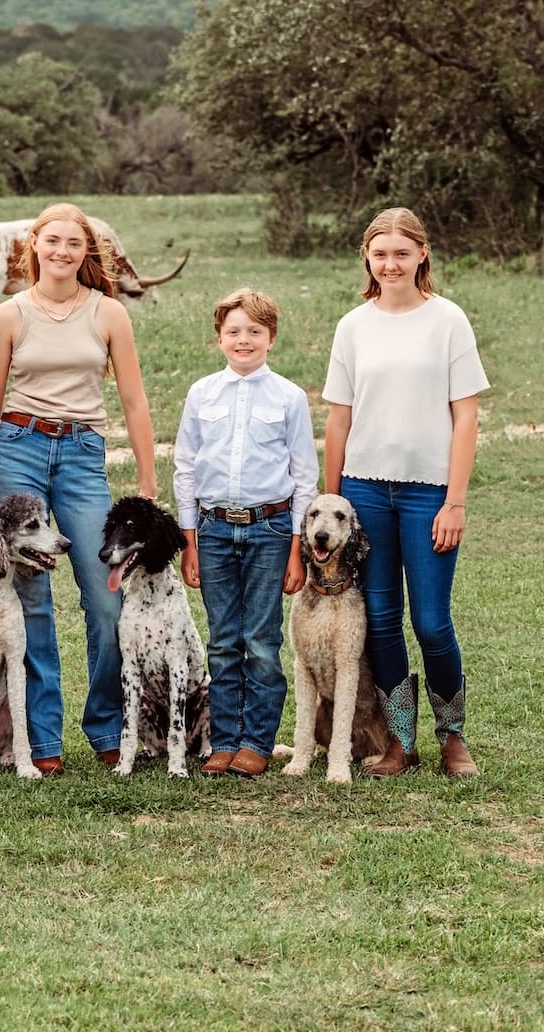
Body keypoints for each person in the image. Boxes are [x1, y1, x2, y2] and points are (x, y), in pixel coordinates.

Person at [0, 202, 159, 775]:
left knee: (106, 598)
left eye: (73, 244)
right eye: (51, 241)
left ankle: (105, 724)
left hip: (81, 453)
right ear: (33, 246)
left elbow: (132, 399)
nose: (61, 252)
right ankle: (42, 738)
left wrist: (149, 483)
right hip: (18, 449)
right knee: (30, 600)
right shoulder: (8, 315)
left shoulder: (108, 314)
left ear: (87, 251)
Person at [322, 208, 488, 778]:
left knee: (433, 623)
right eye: (380, 253)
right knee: (383, 619)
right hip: (364, 493)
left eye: (401, 252)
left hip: (429, 495)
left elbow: (465, 417)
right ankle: (400, 741)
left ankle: (453, 736)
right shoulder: (353, 326)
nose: (390, 263)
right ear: (367, 258)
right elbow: (339, 422)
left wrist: (455, 500)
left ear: (422, 254)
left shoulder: (447, 321)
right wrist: (332, 501)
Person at [174, 287, 318, 779]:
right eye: (233, 331)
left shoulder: (289, 398)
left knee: (260, 639)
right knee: (222, 640)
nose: (244, 340)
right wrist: (189, 540)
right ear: (219, 338)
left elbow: (304, 478)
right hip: (213, 530)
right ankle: (225, 739)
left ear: (271, 339)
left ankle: (256, 741)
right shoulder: (202, 393)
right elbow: (186, 470)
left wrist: (297, 549)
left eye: (254, 331)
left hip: (271, 529)